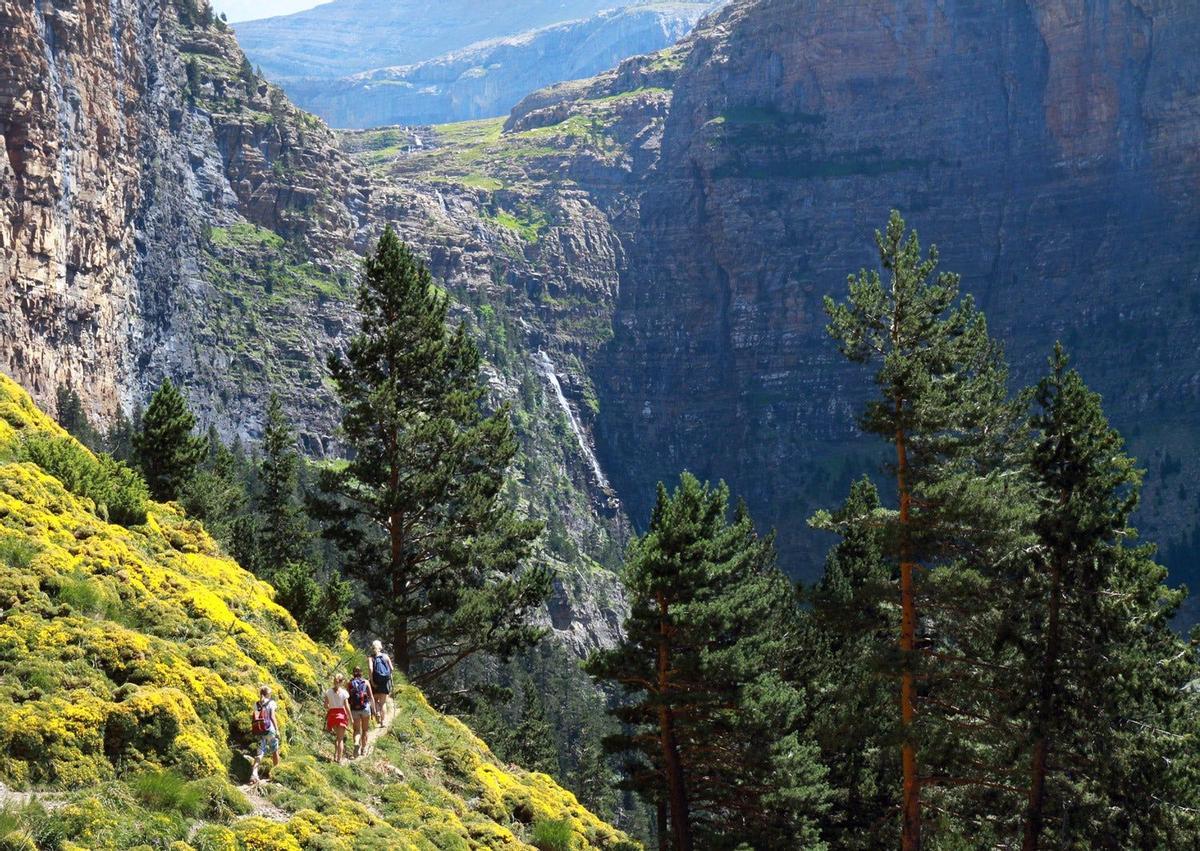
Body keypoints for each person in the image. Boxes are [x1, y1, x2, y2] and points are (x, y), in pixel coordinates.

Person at [249, 685, 280, 784]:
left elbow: (255, 717)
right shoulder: (271, 703)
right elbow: (272, 717)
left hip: (259, 730)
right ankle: (277, 774)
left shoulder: (256, 704)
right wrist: (277, 729)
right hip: (270, 730)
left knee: (259, 753)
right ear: (268, 694)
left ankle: (254, 775)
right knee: (274, 750)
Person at [347, 666, 376, 758]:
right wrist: (374, 710)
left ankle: (356, 742)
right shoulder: (366, 682)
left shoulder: (349, 683)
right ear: (361, 673)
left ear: (353, 673)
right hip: (365, 709)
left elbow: (347, 698)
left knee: (356, 730)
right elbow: (371, 697)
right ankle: (363, 749)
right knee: (365, 730)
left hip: (354, 709)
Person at [323, 673, 350, 763]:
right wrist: (350, 718)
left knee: (337, 737)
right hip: (341, 715)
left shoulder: (328, 692)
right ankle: (339, 759)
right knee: (340, 738)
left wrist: (332, 706)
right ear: (342, 682)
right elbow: (346, 706)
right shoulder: (344, 692)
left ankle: (335, 755)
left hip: (332, 715)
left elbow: (325, 705)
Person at [368, 639, 393, 727]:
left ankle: (377, 712)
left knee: (374, 700)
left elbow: (371, 669)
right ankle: (383, 722)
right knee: (383, 703)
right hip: (385, 683)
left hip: (375, 681)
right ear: (380, 647)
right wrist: (387, 677)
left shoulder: (371, 658)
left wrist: (372, 681)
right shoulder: (385, 656)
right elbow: (392, 669)